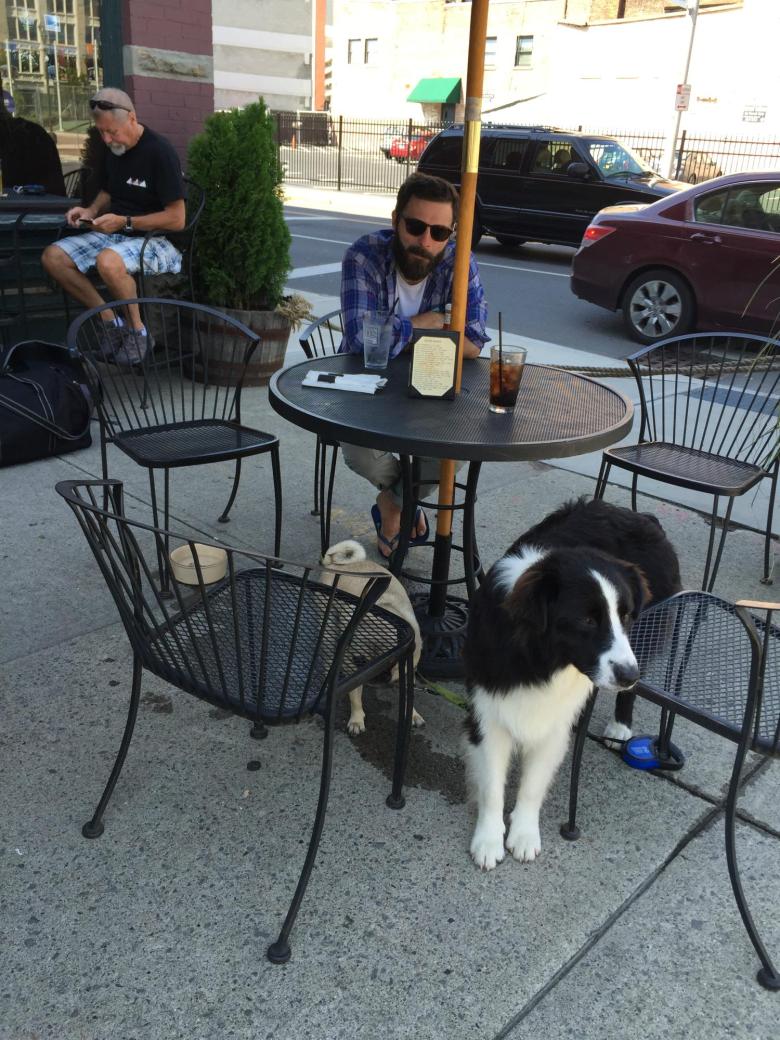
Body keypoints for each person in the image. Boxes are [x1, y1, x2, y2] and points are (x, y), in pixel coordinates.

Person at [339, 172, 489, 558]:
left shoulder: (460, 263)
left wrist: (392, 334)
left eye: (439, 232)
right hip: (365, 382)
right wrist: (430, 322)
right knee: (360, 453)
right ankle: (406, 500)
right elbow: (359, 339)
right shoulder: (364, 254)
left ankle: (394, 505)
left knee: (450, 448)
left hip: (430, 383)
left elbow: (473, 340)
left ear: (451, 233)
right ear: (395, 220)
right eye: (415, 226)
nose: (426, 241)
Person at [42, 88, 185, 365]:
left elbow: (177, 219)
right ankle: (112, 324)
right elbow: (108, 191)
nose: (107, 139)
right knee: (53, 257)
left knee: (108, 262)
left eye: (113, 132)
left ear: (132, 118)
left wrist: (126, 221)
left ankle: (138, 332)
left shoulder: (160, 151)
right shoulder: (115, 150)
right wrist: (91, 211)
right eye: (102, 133)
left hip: (159, 241)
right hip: (118, 234)